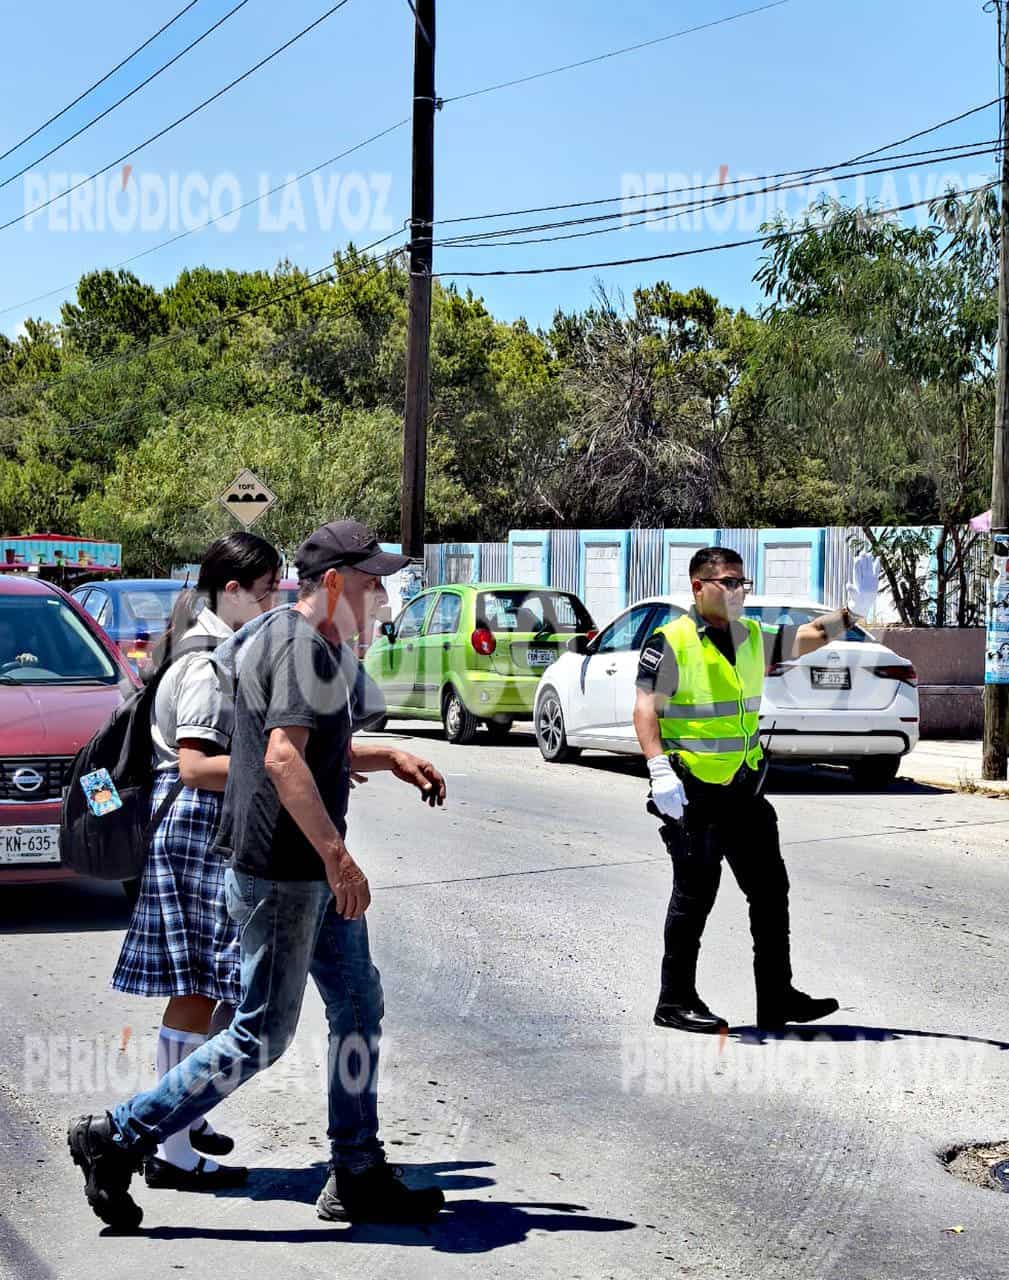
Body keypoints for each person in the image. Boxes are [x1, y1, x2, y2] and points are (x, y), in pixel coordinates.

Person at [68, 520, 449, 1232]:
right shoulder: (302, 646)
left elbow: (293, 748)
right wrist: (338, 855)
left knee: (358, 1006)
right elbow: (280, 758)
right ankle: (117, 1136)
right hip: (285, 872)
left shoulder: (278, 635)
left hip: (299, 870)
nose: (382, 601)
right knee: (260, 1035)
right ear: (333, 584)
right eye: (372, 585)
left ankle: (357, 1169)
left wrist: (385, 756)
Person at [111, 532, 282, 1191]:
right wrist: (276, 771)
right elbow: (195, 764)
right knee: (198, 988)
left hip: (202, 828)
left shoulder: (215, 650)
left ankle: (183, 1114)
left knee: (211, 986)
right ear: (233, 590)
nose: (273, 601)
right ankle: (173, 1151)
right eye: (266, 589)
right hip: (194, 827)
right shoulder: (208, 663)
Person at [634, 546, 851, 1035]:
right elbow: (646, 707)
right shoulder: (672, 641)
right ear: (699, 587)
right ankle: (674, 1000)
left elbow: (807, 637)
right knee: (695, 895)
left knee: (771, 891)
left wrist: (847, 614)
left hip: (743, 789)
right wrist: (657, 770)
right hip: (691, 791)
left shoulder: (751, 636)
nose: (737, 592)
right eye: (727, 583)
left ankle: (776, 995)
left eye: (741, 584)